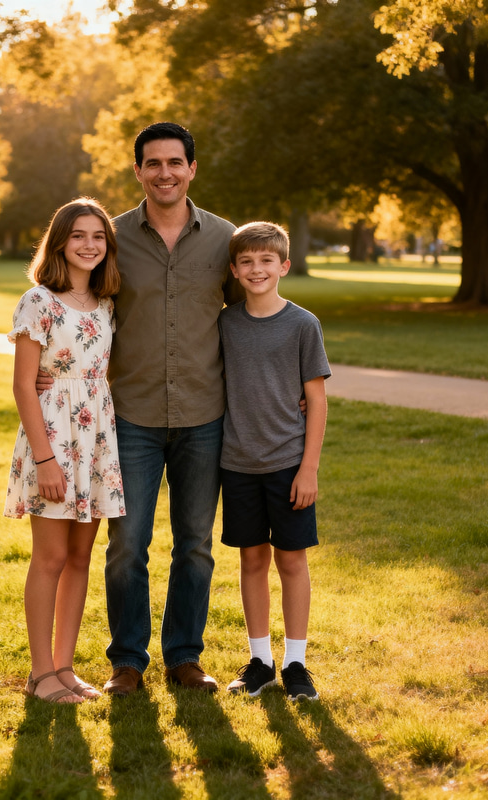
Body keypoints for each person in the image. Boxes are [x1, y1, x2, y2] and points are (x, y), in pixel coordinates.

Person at [102, 122, 245, 695]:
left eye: (175, 162)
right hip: (130, 415)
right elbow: (82, 308)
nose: (165, 173)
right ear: (138, 170)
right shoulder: (110, 237)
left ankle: (185, 657)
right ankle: (127, 663)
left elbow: (247, 315)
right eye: (153, 163)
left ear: (192, 169)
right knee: (126, 546)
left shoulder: (225, 240)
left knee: (196, 546)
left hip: (204, 415)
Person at [4, 197, 125, 704]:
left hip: (96, 439)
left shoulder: (106, 304)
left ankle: (65, 667)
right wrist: (45, 459)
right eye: (78, 235)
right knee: (51, 556)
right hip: (52, 438)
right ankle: (39, 674)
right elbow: (23, 384)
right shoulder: (39, 301)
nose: (89, 245)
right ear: (59, 242)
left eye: (98, 236)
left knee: (80, 556)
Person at [219, 221, 330, 702]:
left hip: (288, 463)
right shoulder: (225, 324)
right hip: (238, 462)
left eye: (266, 260)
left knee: (291, 560)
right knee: (251, 559)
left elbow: (317, 401)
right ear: (234, 270)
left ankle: (295, 664)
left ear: (284, 266)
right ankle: (261, 662)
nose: (256, 269)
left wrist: (309, 469)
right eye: (246, 261)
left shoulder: (303, 324)